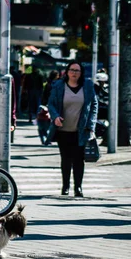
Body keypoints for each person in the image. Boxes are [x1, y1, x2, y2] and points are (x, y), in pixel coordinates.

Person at [47, 61, 98, 197]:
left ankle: (78, 187)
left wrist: (91, 125)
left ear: (81, 73)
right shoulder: (59, 86)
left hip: (81, 130)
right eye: (72, 70)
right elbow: (51, 104)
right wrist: (55, 116)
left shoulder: (87, 86)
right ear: (67, 71)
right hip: (63, 129)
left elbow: (94, 105)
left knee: (78, 159)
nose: (74, 73)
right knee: (66, 159)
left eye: (77, 70)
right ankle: (65, 187)